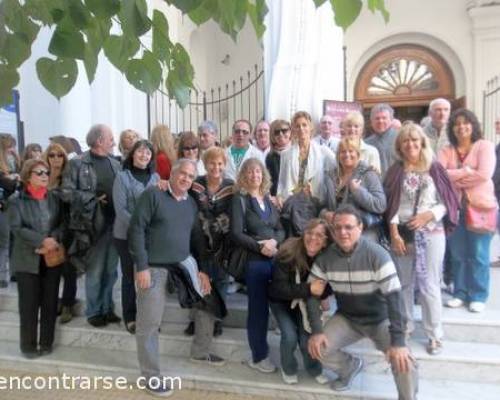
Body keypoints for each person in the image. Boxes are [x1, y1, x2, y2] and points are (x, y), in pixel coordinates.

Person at [129, 158, 225, 397]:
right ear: (171, 173)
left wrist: (201, 269)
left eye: (191, 176)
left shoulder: (190, 204)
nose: (186, 179)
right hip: (153, 265)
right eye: (182, 173)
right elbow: (136, 229)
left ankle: (200, 351)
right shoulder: (153, 195)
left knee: (208, 298)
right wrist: (141, 266)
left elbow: (197, 239)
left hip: (183, 262)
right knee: (150, 321)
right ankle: (151, 377)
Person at [307, 205, 418, 398]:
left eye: (349, 227)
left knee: (403, 360)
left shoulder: (377, 254)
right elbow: (311, 295)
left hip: (381, 319)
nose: (343, 232)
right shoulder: (325, 259)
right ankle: (349, 367)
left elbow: (395, 298)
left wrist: (398, 341)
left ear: (360, 228)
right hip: (348, 319)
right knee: (317, 348)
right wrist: (316, 331)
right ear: (332, 231)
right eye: (338, 227)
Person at [385, 122, 459, 355]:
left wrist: (429, 214)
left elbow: (448, 202)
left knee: (429, 286)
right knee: (404, 284)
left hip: (431, 234)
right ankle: (405, 327)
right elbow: (391, 205)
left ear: (422, 142)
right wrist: (394, 233)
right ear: (400, 145)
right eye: (405, 140)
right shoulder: (395, 170)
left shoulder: (434, 168)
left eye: (415, 140)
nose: (410, 144)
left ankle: (434, 333)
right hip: (403, 235)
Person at [62, 124, 121, 327]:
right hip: (91, 226)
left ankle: (107, 308)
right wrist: (93, 198)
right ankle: (94, 311)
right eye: (110, 137)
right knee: (95, 271)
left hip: (115, 225)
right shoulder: (77, 164)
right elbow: (67, 193)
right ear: (99, 141)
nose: (113, 141)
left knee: (111, 271)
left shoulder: (115, 164)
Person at [438, 109, 497, 313]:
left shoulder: (485, 146)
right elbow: (439, 174)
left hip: (480, 207)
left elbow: (484, 174)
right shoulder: (447, 149)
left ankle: (478, 294)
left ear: (473, 125)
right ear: (452, 128)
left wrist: (454, 177)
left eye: (466, 123)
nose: (461, 127)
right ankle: (460, 292)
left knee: (479, 254)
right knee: (457, 253)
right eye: (457, 124)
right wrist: (464, 172)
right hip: (454, 209)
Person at [231, 158, 285, 373]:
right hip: (255, 262)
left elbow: (280, 227)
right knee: (258, 310)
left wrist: (275, 242)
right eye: (250, 172)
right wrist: (259, 247)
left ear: (264, 175)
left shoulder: (268, 200)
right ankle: (259, 355)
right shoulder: (240, 199)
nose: (255, 175)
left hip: (275, 259)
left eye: (258, 172)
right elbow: (235, 233)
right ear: (244, 176)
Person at [8, 159, 65, 358]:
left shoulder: (54, 198)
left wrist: (53, 240)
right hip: (27, 259)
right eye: (38, 172)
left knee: (50, 303)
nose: (44, 176)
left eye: (46, 173)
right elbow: (17, 228)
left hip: (51, 257)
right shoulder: (16, 201)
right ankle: (28, 345)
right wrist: (41, 241)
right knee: (29, 305)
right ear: (27, 176)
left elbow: (61, 224)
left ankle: (46, 343)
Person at [269, 219, 332, 385]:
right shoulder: (288, 251)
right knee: (289, 336)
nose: (313, 238)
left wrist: (321, 294)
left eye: (319, 235)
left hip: (305, 305)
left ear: (325, 241)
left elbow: (327, 288)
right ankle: (289, 368)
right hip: (281, 302)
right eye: (309, 233)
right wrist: (309, 288)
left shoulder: (327, 258)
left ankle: (314, 369)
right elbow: (277, 289)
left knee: (307, 339)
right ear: (303, 234)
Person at [113, 140, 160, 335]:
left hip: (150, 238)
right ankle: (130, 317)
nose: (144, 155)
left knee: (149, 278)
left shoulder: (156, 177)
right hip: (125, 235)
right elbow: (121, 210)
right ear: (132, 154)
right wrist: (140, 227)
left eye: (148, 153)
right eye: (140, 151)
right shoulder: (122, 177)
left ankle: (149, 317)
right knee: (129, 276)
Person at [186, 146, 234, 337]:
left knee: (220, 281)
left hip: (222, 242)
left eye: (220, 163)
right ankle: (195, 320)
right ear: (205, 164)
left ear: (225, 164)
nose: (216, 167)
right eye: (212, 163)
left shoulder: (231, 187)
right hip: (198, 241)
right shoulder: (195, 184)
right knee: (197, 280)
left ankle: (216, 319)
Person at [322, 138, 386, 241]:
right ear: (338, 155)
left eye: (351, 151)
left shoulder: (368, 174)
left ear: (358, 154)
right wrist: (325, 214)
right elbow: (322, 205)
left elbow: (380, 205)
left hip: (363, 229)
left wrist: (358, 191)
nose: (347, 154)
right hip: (336, 227)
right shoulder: (330, 176)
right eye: (343, 152)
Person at [43, 143, 78, 324]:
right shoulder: (42, 176)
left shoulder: (68, 178)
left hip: (66, 229)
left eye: (60, 155)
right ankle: (54, 302)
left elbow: (71, 205)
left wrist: (59, 234)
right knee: (50, 270)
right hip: (44, 231)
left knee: (68, 269)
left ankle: (67, 304)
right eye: (52, 155)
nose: (56, 158)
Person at [277, 111, 336, 204]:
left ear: (311, 127)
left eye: (304, 125)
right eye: (297, 126)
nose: (301, 128)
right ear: (293, 129)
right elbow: (282, 182)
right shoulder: (285, 154)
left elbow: (339, 168)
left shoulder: (323, 152)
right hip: (292, 200)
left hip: (315, 200)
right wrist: (279, 197)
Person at [365, 103, 398, 177]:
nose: (380, 121)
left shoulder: (401, 139)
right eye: (377, 118)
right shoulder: (366, 144)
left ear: (391, 120)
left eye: (384, 118)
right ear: (371, 122)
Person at [266, 119, 292, 197]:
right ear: (272, 136)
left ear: (290, 132)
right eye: (276, 132)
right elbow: (269, 180)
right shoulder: (270, 157)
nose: (280, 134)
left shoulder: (296, 152)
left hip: (294, 197)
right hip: (275, 197)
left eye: (284, 131)